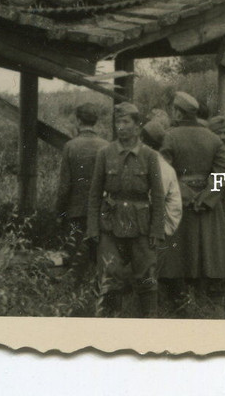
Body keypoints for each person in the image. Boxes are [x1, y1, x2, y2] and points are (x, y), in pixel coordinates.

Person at [87, 101, 167, 317]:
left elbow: (158, 195)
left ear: (137, 126)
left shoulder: (149, 156)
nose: (120, 127)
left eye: (125, 122)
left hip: (141, 225)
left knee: (146, 274)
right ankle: (111, 321)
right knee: (110, 274)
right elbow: (94, 194)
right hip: (110, 224)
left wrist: (156, 230)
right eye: (117, 122)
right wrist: (93, 228)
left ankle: (149, 320)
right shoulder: (105, 154)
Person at [158, 91, 225, 305]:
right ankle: (206, 302)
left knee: (177, 257)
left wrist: (185, 195)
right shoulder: (214, 139)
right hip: (207, 208)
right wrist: (205, 197)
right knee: (207, 254)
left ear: (178, 112)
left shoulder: (169, 136)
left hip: (179, 205)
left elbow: (163, 172)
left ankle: (179, 302)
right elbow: (223, 174)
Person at [54, 103, 108, 279]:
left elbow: (65, 186)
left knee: (75, 256)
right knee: (97, 257)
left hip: (75, 211)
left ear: (78, 121)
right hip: (100, 210)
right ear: (95, 121)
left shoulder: (70, 146)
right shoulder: (106, 146)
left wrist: (59, 211)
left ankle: (74, 288)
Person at [141, 106, 184, 241]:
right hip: (158, 227)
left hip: (155, 230)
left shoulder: (158, 166)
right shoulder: (165, 167)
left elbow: (156, 200)